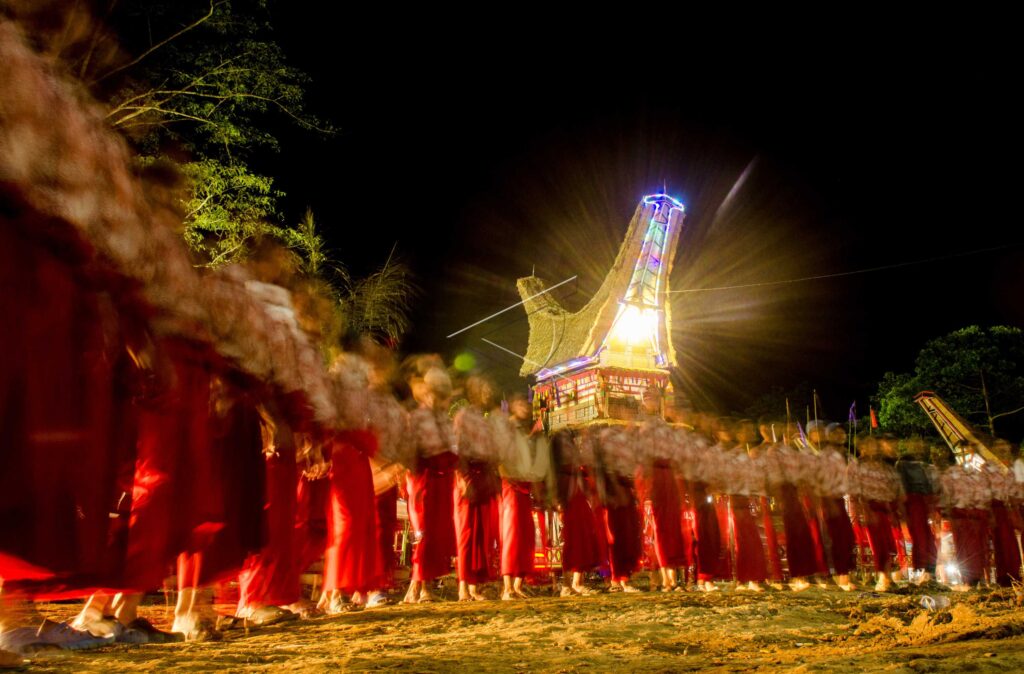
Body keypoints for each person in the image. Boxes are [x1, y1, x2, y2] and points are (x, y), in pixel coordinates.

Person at [404, 365, 458, 604]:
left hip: (443, 480)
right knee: (423, 533)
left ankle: (417, 587)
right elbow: (409, 451)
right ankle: (423, 588)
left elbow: (453, 450)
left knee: (437, 535)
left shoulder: (445, 421)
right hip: (423, 478)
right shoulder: (416, 417)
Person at [498, 393, 552, 600]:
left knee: (527, 535)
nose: (525, 408)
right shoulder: (508, 428)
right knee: (512, 535)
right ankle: (507, 586)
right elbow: (501, 455)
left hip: (526, 486)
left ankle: (518, 584)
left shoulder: (531, 432)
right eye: (520, 404)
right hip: (511, 484)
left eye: (526, 405)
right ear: (512, 406)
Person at [895, 437, 940, 585]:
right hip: (911, 502)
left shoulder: (925, 466)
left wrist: (932, 505)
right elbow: (901, 485)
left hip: (925, 501)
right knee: (919, 536)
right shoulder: (902, 464)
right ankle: (923, 569)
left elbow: (930, 486)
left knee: (929, 537)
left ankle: (930, 570)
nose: (918, 447)